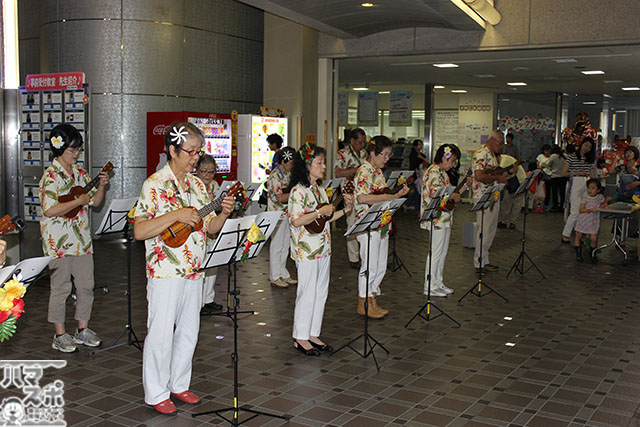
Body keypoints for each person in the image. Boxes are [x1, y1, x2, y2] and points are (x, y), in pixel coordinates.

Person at [134, 122, 235, 415]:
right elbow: (140, 230)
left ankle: (179, 383)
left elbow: (210, 228)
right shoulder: (154, 184)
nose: (195, 158)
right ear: (172, 150)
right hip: (165, 270)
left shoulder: (197, 185)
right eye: (190, 152)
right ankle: (156, 392)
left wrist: (224, 212)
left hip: (195, 268)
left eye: (198, 151)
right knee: (161, 332)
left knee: (189, 331)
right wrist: (176, 214)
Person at [39, 124, 109, 353]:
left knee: (86, 285)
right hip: (57, 241)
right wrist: (77, 202)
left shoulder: (80, 173)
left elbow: (94, 202)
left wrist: (101, 187)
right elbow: (50, 210)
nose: (76, 154)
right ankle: (60, 334)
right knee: (61, 288)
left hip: (81, 239)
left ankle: (82, 329)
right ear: (59, 149)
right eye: (72, 150)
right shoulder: (50, 177)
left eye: (78, 150)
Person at [287, 143, 353, 356]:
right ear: (307, 165)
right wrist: (318, 213)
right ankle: (300, 336)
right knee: (307, 292)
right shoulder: (298, 191)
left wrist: (346, 210)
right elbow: (297, 221)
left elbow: (326, 217)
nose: (324, 166)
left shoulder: (319, 189)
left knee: (321, 291)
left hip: (323, 247)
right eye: (319, 162)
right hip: (305, 250)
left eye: (323, 162)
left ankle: (313, 333)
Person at [353, 136, 409, 318]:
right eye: (383, 155)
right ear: (372, 153)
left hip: (380, 223)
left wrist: (397, 194)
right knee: (369, 265)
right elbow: (361, 198)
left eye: (388, 155)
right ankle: (364, 302)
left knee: (380, 265)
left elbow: (382, 194)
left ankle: (373, 299)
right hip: (368, 224)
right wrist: (387, 198)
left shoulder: (377, 171)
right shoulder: (364, 171)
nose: (386, 159)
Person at [420, 144, 470, 297]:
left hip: (444, 217)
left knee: (442, 252)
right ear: (444, 157)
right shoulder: (433, 172)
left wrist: (464, 187)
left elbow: (451, 195)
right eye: (452, 160)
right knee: (435, 252)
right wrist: (453, 196)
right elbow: (437, 194)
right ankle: (429, 285)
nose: (453, 164)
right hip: (436, 217)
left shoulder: (443, 173)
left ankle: (438, 282)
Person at [471, 130, 507, 272]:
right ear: (492, 140)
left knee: (491, 230)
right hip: (482, 197)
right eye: (500, 143)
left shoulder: (492, 155)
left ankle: (484, 260)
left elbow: (492, 173)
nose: (502, 146)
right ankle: (478, 261)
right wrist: (497, 178)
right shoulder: (480, 154)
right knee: (484, 230)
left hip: (493, 196)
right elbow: (479, 176)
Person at [194, 154, 223, 316]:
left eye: (211, 172)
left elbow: (216, 207)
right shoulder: (193, 185)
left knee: (213, 265)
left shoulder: (214, 185)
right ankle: (197, 303)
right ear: (197, 171)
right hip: (197, 233)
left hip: (212, 230)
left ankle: (208, 299)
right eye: (204, 171)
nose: (207, 175)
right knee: (201, 268)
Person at [334, 128, 367, 269]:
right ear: (352, 140)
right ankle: (353, 258)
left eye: (364, 142)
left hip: (364, 192)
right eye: (359, 142)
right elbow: (338, 172)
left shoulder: (364, 153)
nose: (362, 145)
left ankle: (364, 255)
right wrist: (358, 169)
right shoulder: (343, 154)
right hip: (349, 193)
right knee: (352, 223)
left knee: (363, 223)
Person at [266, 146, 297, 288]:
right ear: (283, 162)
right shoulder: (275, 176)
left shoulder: (288, 174)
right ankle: (274, 275)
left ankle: (283, 272)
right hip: (276, 214)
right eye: (290, 163)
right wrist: (296, 193)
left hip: (286, 213)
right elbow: (280, 197)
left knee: (285, 244)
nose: (292, 165)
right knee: (277, 244)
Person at [561, 138, 595, 244]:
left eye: (589, 147)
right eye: (586, 145)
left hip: (587, 183)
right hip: (575, 182)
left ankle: (581, 235)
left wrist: (594, 186)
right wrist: (575, 172)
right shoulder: (572, 157)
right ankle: (565, 235)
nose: (587, 148)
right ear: (581, 144)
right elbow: (564, 173)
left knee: (585, 211)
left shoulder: (590, 159)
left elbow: (592, 173)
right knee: (575, 211)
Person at [574, 179, 608, 262]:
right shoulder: (585, 198)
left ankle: (592, 254)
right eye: (589, 188)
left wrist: (605, 204)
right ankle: (578, 254)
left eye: (593, 188)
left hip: (594, 221)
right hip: (583, 220)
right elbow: (581, 210)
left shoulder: (600, 197)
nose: (590, 190)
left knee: (594, 238)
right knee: (578, 236)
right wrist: (590, 210)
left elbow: (603, 204)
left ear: (598, 190)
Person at [497, 152, 526, 230]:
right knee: (506, 201)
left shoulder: (504, 160)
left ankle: (512, 222)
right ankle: (503, 221)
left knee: (517, 203)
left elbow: (501, 173)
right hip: (511, 181)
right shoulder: (502, 159)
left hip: (519, 181)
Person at [408, 139, 428, 210]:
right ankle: (413, 207)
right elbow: (414, 165)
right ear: (415, 146)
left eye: (421, 144)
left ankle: (409, 205)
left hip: (420, 174)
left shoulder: (421, 155)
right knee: (417, 191)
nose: (421, 146)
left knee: (417, 192)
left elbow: (426, 162)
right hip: (415, 175)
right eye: (419, 144)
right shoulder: (413, 155)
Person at [548, 145, 568, 212]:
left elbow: (549, 164)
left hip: (555, 177)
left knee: (554, 193)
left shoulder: (553, 156)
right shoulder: (564, 156)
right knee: (562, 193)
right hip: (563, 177)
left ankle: (555, 206)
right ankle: (562, 206)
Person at [536, 144, 553, 209]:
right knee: (540, 190)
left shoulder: (552, 157)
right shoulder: (540, 156)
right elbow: (537, 166)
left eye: (548, 151)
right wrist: (542, 166)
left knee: (548, 190)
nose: (546, 152)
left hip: (550, 174)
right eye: (545, 151)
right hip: (542, 174)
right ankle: (539, 204)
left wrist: (548, 167)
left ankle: (546, 204)